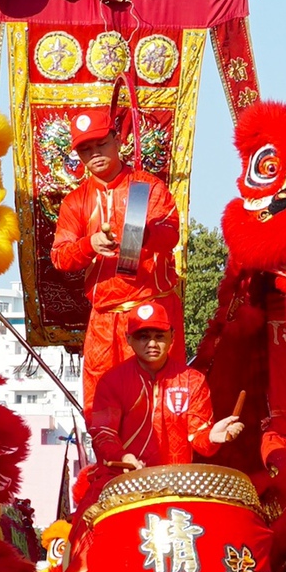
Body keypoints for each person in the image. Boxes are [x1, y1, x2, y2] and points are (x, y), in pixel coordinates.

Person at [50, 106, 183, 406]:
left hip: (152, 315)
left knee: (161, 407)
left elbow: (170, 233)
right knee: (102, 408)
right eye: (85, 149)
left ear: (117, 140)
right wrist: (89, 245)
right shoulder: (75, 202)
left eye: (101, 144)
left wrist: (142, 235)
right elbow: (59, 257)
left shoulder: (148, 188)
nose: (95, 153)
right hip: (105, 320)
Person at [84, 301, 244, 477]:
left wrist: (212, 437)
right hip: (124, 479)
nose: (152, 343)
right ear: (128, 338)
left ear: (172, 336)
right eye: (143, 337)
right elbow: (103, 433)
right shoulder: (111, 381)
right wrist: (123, 457)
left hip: (177, 482)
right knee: (89, 505)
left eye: (159, 336)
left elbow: (200, 438)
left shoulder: (193, 380)